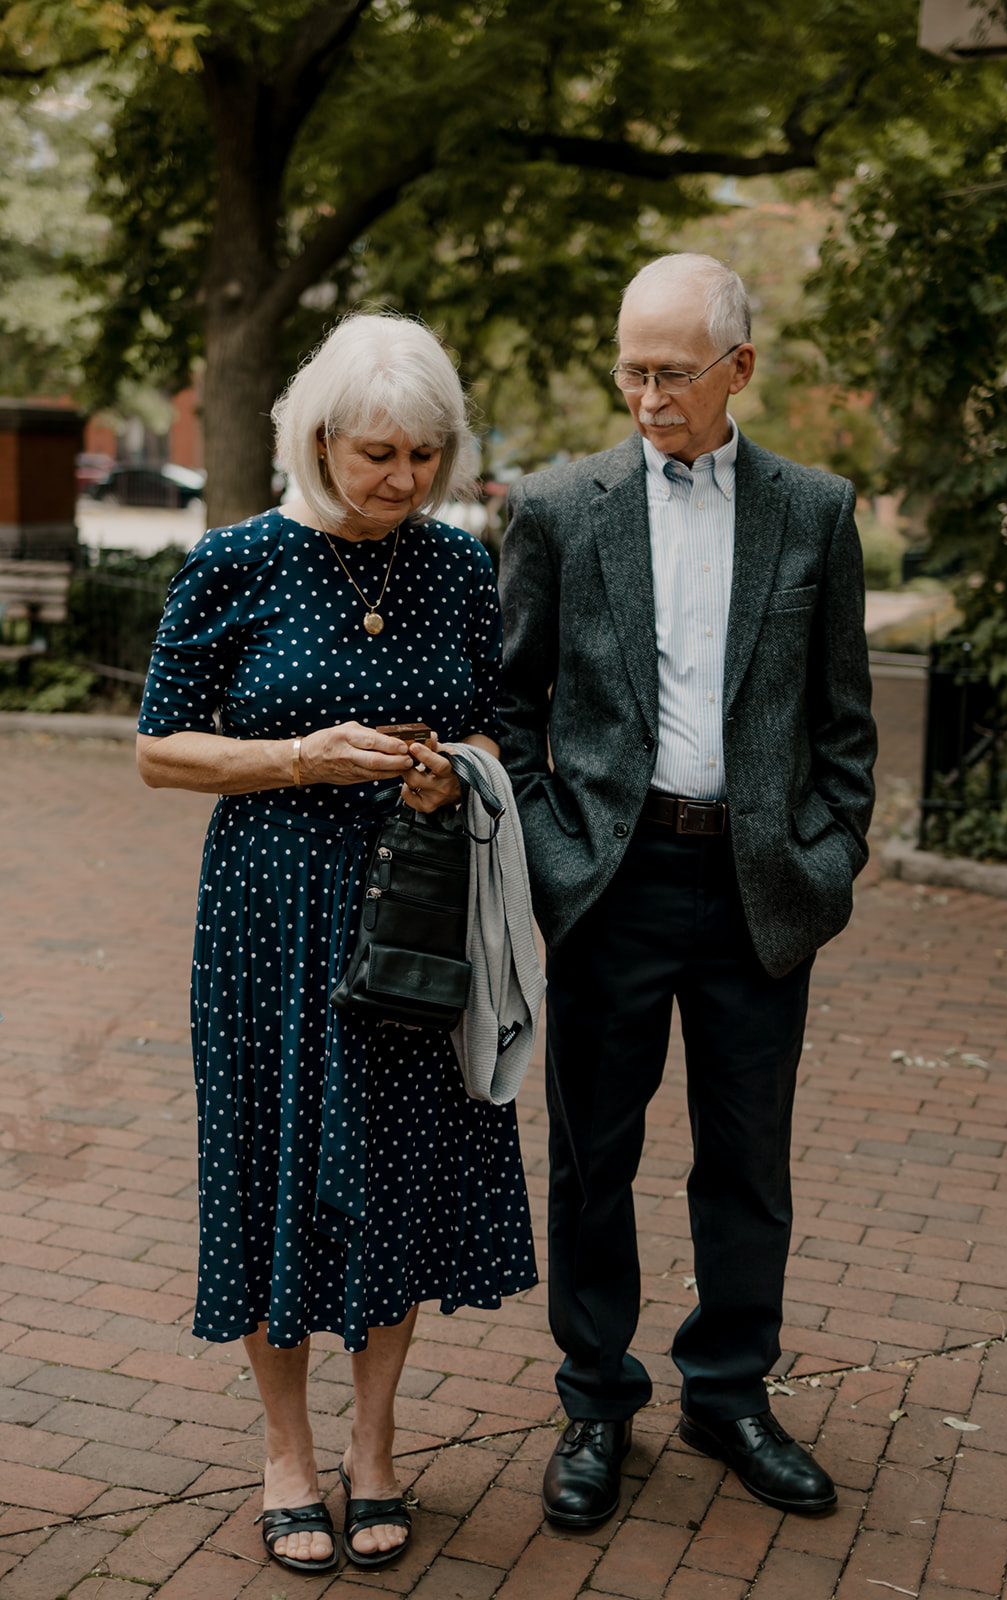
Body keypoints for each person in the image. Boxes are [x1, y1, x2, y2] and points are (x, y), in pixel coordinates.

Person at [136, 312, 537, 1575]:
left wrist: (448, 772)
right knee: (271, 1176)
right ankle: (286, 1455)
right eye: (377, 454)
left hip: (415, 921)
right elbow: (158, 746)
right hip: (267, 922)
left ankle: (374, 1448)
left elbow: (503, 738)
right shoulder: (235, 562)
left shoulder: (460, 569)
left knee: (395, 1179)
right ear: (316, 439)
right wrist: (296, 758)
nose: (403, 479)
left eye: (425, 454)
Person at [498, 253, 876, 1527]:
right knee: (591, 1157)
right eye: (630, 369)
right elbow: (508, 705)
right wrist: (556, 861)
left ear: (738, 369)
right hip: (611, 877)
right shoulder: (559, 507)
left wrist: (826, 860)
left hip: (760, 881)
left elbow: (843, 719)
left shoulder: (814, 508)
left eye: (670, 371)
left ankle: (725, 1391)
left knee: (745, 1159)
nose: (646, 395)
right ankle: (595, 1400)